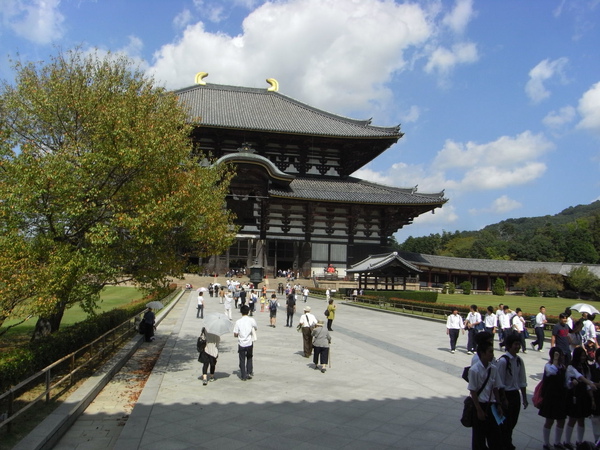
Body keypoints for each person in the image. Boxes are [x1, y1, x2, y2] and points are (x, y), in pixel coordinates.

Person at [468, 340, 503, 450]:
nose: (492, 354)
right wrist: (478, 410)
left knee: (495, 437)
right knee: (479, 438)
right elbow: (472, 391)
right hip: (480, 405)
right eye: (490, 352)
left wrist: (499, 404)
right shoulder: (474, 370)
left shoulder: (493, 368)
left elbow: (496, 388)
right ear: (482, 353)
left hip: (491, 405)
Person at [497, 334, 528, 450]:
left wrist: (524, 398)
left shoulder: (519, 361)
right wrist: (502, 399)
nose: (518, 346)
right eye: (515, 344)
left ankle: (507, 440)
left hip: (515, 394)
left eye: (519, 344)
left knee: (513, 421)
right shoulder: (503, 362)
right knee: (505, 422)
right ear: (509, 346)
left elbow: (522, 381)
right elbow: (499, 382)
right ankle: (505, 443)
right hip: (506, 394)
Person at [564, 346, 597, 449]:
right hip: (574, 395)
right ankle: (567, 441)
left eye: (584, 356)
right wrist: (591, 384)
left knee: (581, 419)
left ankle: (580, 441)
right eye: (581, 356)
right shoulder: (571, 367)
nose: (583, 358)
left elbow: (587, 381)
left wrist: (591, 398)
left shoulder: (586, 367)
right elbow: (578, 377)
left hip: (583, 395)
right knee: (573, 418)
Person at [539, 347, 568, 450]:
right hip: (550, 396)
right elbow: (552, 372)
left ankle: (557, 442)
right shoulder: (548, 366)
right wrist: (555, 360)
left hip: (560, 396)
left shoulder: (563, 367)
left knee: (561, 420)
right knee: (549, 420)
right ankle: (546, 443)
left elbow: (565, 381)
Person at [233, 305, 258, 381]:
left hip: (241, 343)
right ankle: (249, 372)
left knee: (242, 359)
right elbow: (256, 328)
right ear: (248, 311)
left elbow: (235, 333)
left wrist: (238, 335)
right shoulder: (251, 320)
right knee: (249, 357)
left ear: (241, 312)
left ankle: (243, 375)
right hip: (249, 342)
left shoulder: (238, 322)